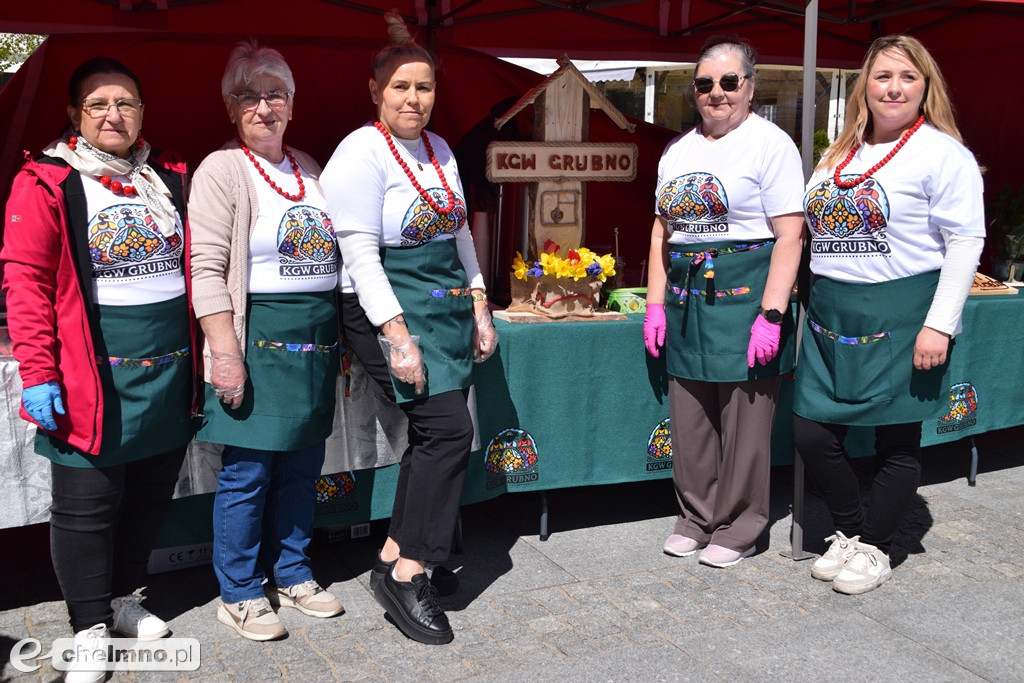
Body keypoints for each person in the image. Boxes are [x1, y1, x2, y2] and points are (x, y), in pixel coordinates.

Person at [1, 57, 194, 682]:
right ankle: (86, 627)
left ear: (142, 111)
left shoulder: (168, 175)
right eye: (98, 105)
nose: (115, 115)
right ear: (75, 115)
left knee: (146, 494)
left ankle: (122, 601)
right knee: (86, 504)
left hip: (168, 371)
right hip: (92, 373)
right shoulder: (47, 180)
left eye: (127, 103)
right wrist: (39, 372)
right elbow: (25, 282)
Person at [320, 14, 497, 645]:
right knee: (448, 429)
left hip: (443, 303)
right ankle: (412, 570)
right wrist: (396, 334)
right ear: (375, 91)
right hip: (382, 306)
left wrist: (479, 302)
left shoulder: (441, 149)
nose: (413, 100)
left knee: (432, 433)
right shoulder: (359, 152)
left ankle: (396, 551)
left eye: (423, 88)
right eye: (400, 87)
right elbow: (361, 257)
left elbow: (457, 236)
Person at [795, 35, 984, 595]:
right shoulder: (839, 152)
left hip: (904, 308)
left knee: (896, 441)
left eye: (907, 77)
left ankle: (875, 547)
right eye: (883, 76)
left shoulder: (942, 153)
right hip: (832, 308)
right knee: (810, 432)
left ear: (926, 86)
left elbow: (965, 241)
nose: (894, 87)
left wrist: (940, 323)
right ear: (865, 86)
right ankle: (851, 533)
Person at [189, 40, 344, 641]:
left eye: (274, 94)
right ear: (232, 107)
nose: (263, 107)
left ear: (291, 104)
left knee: (305, 466)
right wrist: (224, 352)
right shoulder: (220, 169)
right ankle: (240, 591)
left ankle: (295, 572)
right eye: (248, 96)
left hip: (315, 339)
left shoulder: (308, 166)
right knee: (248, 473)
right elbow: (204, 266)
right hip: (256, 339)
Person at [643, 37, 805, 569]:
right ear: (694, 91)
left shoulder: (770, 144)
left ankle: (740, 526)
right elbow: (661, 231)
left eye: (730, 82)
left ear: (750, 87)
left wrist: (772, 313)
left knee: (744, 423)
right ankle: (696, 515)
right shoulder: (677, 150)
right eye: (706, 84)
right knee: (689, 417)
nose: (718, 93)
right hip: (687, 296)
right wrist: (655, 303)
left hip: (746, 293)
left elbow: (790, 236)